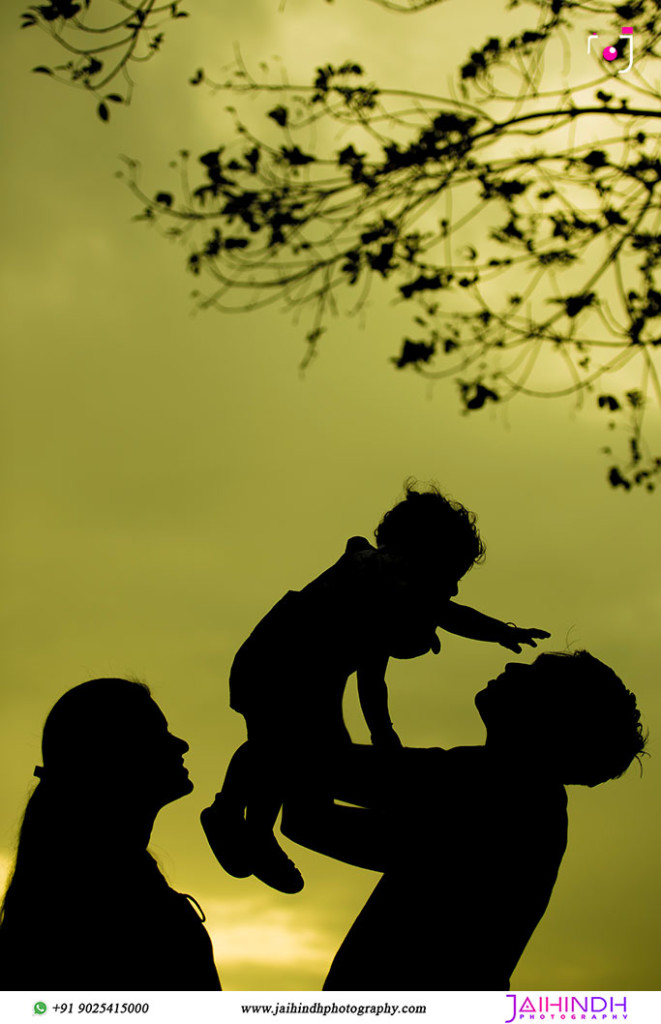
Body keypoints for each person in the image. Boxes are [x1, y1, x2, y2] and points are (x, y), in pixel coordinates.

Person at [202, 483, 549, 894]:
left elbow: (392, 659)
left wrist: (497, 632)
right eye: (451, 575)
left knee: (302, 755)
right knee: (275, 746)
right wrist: (383, 732)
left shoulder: (393, 593)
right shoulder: (379, 573)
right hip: (278, 666)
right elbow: (415, 636)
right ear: (426, 553)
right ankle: (232, 815)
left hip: (314, 679)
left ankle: (258, 829)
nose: (453, 588)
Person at [282, 651, 646, 991]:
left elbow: (316, 790)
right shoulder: (519, 796)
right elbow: (315, 801)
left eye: (535, 674)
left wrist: (325, 665)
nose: (513, 667)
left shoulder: (502, 791)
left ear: (552, 716)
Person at [0, 678, 221, 991]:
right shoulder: (121, 912)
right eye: (158, 734)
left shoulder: (60, 898)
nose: (180, 744)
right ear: (116, 754)